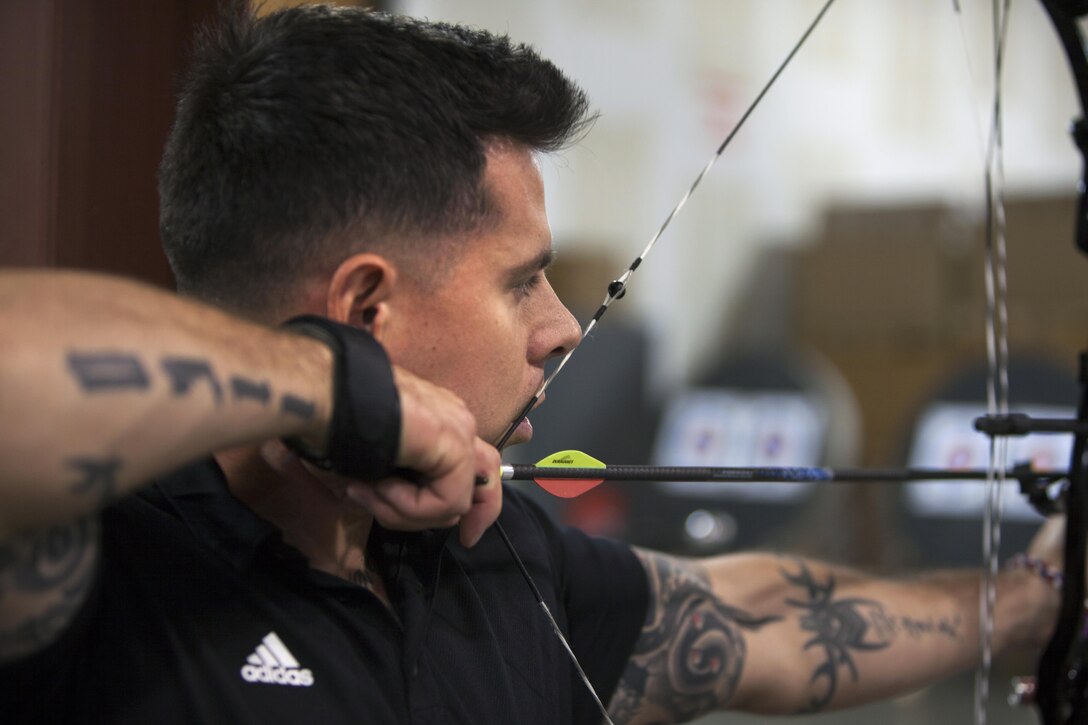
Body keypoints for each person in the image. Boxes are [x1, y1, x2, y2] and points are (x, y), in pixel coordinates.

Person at [0, 4, 1065, 724]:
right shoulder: (91, 568)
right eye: (520, 281)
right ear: (364, 304)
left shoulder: (493, 551)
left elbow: (757, 617)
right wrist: (327, 386)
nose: (561, 328)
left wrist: (1029, 598)